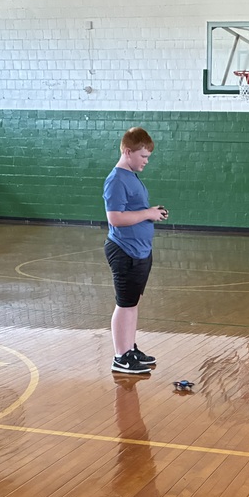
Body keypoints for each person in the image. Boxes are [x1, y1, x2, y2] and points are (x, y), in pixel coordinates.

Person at [104, 127, 169, 374]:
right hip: (125, 250)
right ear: (127, 152)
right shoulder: (116, 179)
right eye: (143, 156)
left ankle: (129, 348)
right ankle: (120, 357)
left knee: (133, 302)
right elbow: (115, 218)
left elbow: (134, 210)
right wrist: (147, 213)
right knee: (125, 304)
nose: (146, 161)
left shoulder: (130, 177)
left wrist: (152, 213)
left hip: (140, 250)